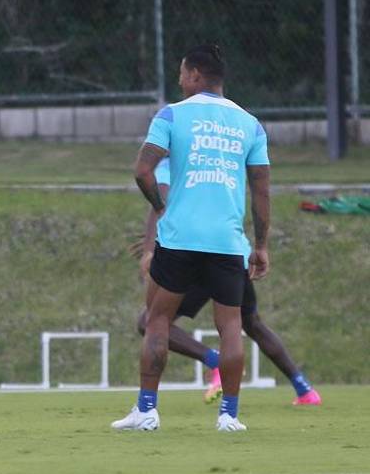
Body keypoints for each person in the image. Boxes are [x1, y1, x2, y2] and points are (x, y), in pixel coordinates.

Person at [116, 44, 270, 433]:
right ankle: (229, 416)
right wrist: (261, 245)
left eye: (183, 73)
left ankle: (147, 411)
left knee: (157, 320)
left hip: (180, 238)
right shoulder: (250, 124)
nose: (180, 80)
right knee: (230, 326)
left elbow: (142, 171)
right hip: (227, 241)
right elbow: (261, 189)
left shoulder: (171, 115)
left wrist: (161, 208)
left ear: (196, 75)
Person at [133, 162, 320, 407]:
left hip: (197, 256)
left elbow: (159, 202)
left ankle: (215, 363)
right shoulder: (217, 158)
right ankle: (304, 389)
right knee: (251, 323)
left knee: (150, 321)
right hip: (234, 254)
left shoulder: (172, 160)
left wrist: (150, 248)